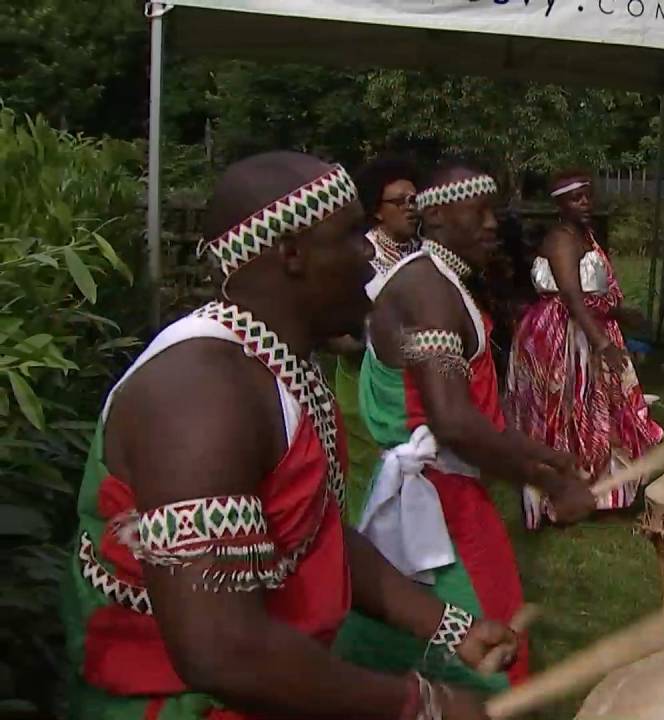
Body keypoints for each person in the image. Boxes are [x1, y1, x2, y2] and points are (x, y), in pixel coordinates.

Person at [62, 151, 513, 720]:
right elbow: (222, 652)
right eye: (352, 237)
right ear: (292, 254)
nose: (369, 257)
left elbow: (313, 529)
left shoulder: (281, 367)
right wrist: (417, 704)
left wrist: (447, 625)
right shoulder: (201, 396)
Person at [335, 160, 597, 692]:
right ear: (435, 219)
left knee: (434, 647)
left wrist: (538, 454)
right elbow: (452, 423)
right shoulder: (427, 290)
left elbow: (463, 419)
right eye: (476, 210)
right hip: (437, 505)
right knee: (480, 659)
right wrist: (546, 480)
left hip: (445, 493)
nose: (491, 223)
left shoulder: (442, 283)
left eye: (491, 210)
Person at [506, 171, 664, 530]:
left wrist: (621, 316)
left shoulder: (586, 237)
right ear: (559, 205)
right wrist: (602, 343)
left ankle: (598, 491)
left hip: (589, 331)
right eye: (576, 198)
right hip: (564, 337)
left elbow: (593, 294)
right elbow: (573, 298)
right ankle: (559, 494)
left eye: (588, 196)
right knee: (565, 413)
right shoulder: (562, 239)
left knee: (601, 410)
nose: (585, 203)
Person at [333, 156, 422, 523]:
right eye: (400, 202)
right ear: (377, 211)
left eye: (415, 200)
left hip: (414, 379)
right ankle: (366, 544)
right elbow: (335, 329)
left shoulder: (423, 253)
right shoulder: (359, 255)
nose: (410, 209)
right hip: (362, 380)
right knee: (370, 467)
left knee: (415, 466)